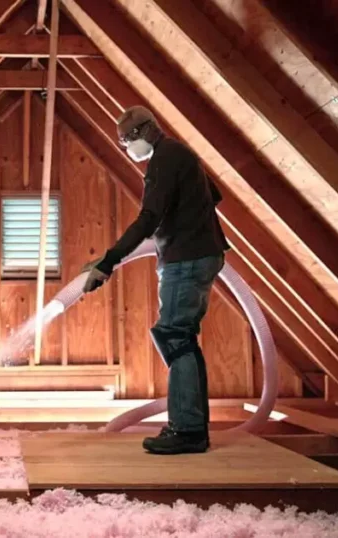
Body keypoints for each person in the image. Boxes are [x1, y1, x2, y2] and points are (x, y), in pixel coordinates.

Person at [83, 105, 229, 455]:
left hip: (187, 258)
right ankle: (192, 426)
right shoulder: (178, 154)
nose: (126, 150)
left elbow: (148, 217)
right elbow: (215, 195)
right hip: (197, 253)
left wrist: (110, 260)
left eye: (125, 143)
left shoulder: (164, 159)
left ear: (141, 134)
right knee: (183, 339)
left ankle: (188, 431)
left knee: (175, 337)